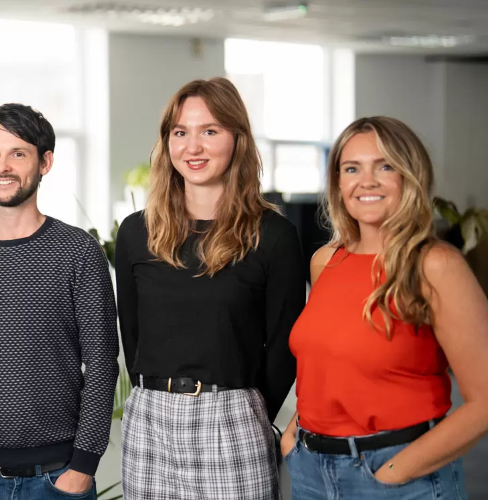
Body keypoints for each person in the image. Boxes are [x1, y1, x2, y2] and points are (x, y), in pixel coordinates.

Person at [114, 78, 305, 500]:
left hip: (232, 417)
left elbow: (285, 349)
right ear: (167, 143)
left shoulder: (273, 235)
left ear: (237, 138)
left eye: (210, 131)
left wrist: (246, 412)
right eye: (180, 133)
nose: (192, 147)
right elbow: (132, 337)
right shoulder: (136, 232)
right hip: (148, 418)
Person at [281, 117, 488, 499]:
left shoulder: (436, 265)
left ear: (409, 176)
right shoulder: (326, 260)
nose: (367, 180)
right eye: (352, 168)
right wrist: (294, 434)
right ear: (338, 182)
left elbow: (484, 401)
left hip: (396, 476)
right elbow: (326, 364)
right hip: (310, 470)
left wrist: (394, 471)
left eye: (385, 165)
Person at [0, 103, 120, 500]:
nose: (3, 166)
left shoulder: (78, 251)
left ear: (45, 162)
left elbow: (102, 361)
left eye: (18, 153)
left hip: (60, 477)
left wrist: (83, 466)